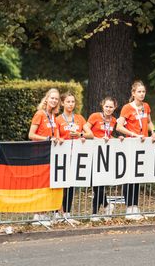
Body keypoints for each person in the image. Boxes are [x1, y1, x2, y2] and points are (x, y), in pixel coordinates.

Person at [116, 80, 155, 220]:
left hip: (143, 144)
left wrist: (153, 132)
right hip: (131, 144)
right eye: (139, 92)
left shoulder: (146, 106)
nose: (142, 94)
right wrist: (133, 134)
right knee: (129, 176)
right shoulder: (127, 108)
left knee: (138, 175)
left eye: (143, 91)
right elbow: (119, 127)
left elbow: (149, 121)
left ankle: (135, 206)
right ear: (133, 93)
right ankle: (129, 208)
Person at [28, 88, 61, 226]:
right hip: (39, 153)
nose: (54, 100)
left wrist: (58, 139)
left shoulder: (53, 116)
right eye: (52, 98)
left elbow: (56, 135)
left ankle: (44, 213)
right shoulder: (40, 114)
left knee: (48, 184)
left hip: (50, 153)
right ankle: (37, 215)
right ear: (46, 99)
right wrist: (47, 138)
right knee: (40, 183)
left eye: (56, 99)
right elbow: (31, 135)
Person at [83, 96, 119, 221]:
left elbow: (108, 136)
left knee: (100, 183)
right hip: (93, 152)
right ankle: (106, 205)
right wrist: (91, 135)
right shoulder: (95, 116)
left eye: (111, 107)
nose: (108, 109)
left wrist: (117, 139)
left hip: (104, 154)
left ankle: (95, 213)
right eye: (106, 106)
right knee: (95, 183)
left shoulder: (114, 120)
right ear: (102, 106)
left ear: (115, 108)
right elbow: (85, 127)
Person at [55, 91, 87, 224]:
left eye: (72, 101)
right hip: (61, 156)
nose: (70, 104)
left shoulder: (79, 118)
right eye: (68, 101)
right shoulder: (57, 119)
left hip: (75, 156)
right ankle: (56, 213)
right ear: (62, 103)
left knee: (71, 185)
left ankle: (67, 212)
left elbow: (89, 133)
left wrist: (80, 135)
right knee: (60, 185)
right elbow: (56, 136)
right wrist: (60, 139)